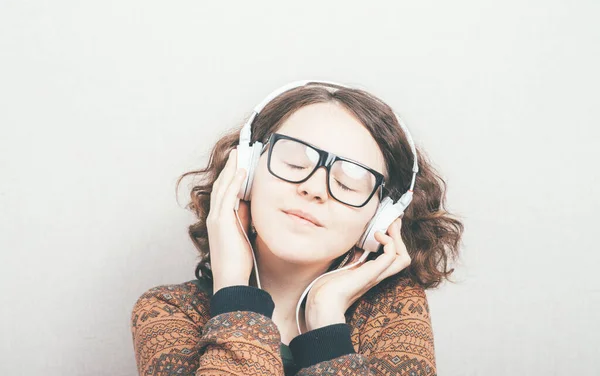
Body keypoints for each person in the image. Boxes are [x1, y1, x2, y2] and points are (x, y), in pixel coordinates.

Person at [130, 80, 463, 375]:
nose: (314, 189)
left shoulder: (394, 310)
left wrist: (326, 320)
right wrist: (232, 287)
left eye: (348, 183)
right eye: (294, 163)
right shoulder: (168, 310)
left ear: (382, 216)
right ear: (244, 173)